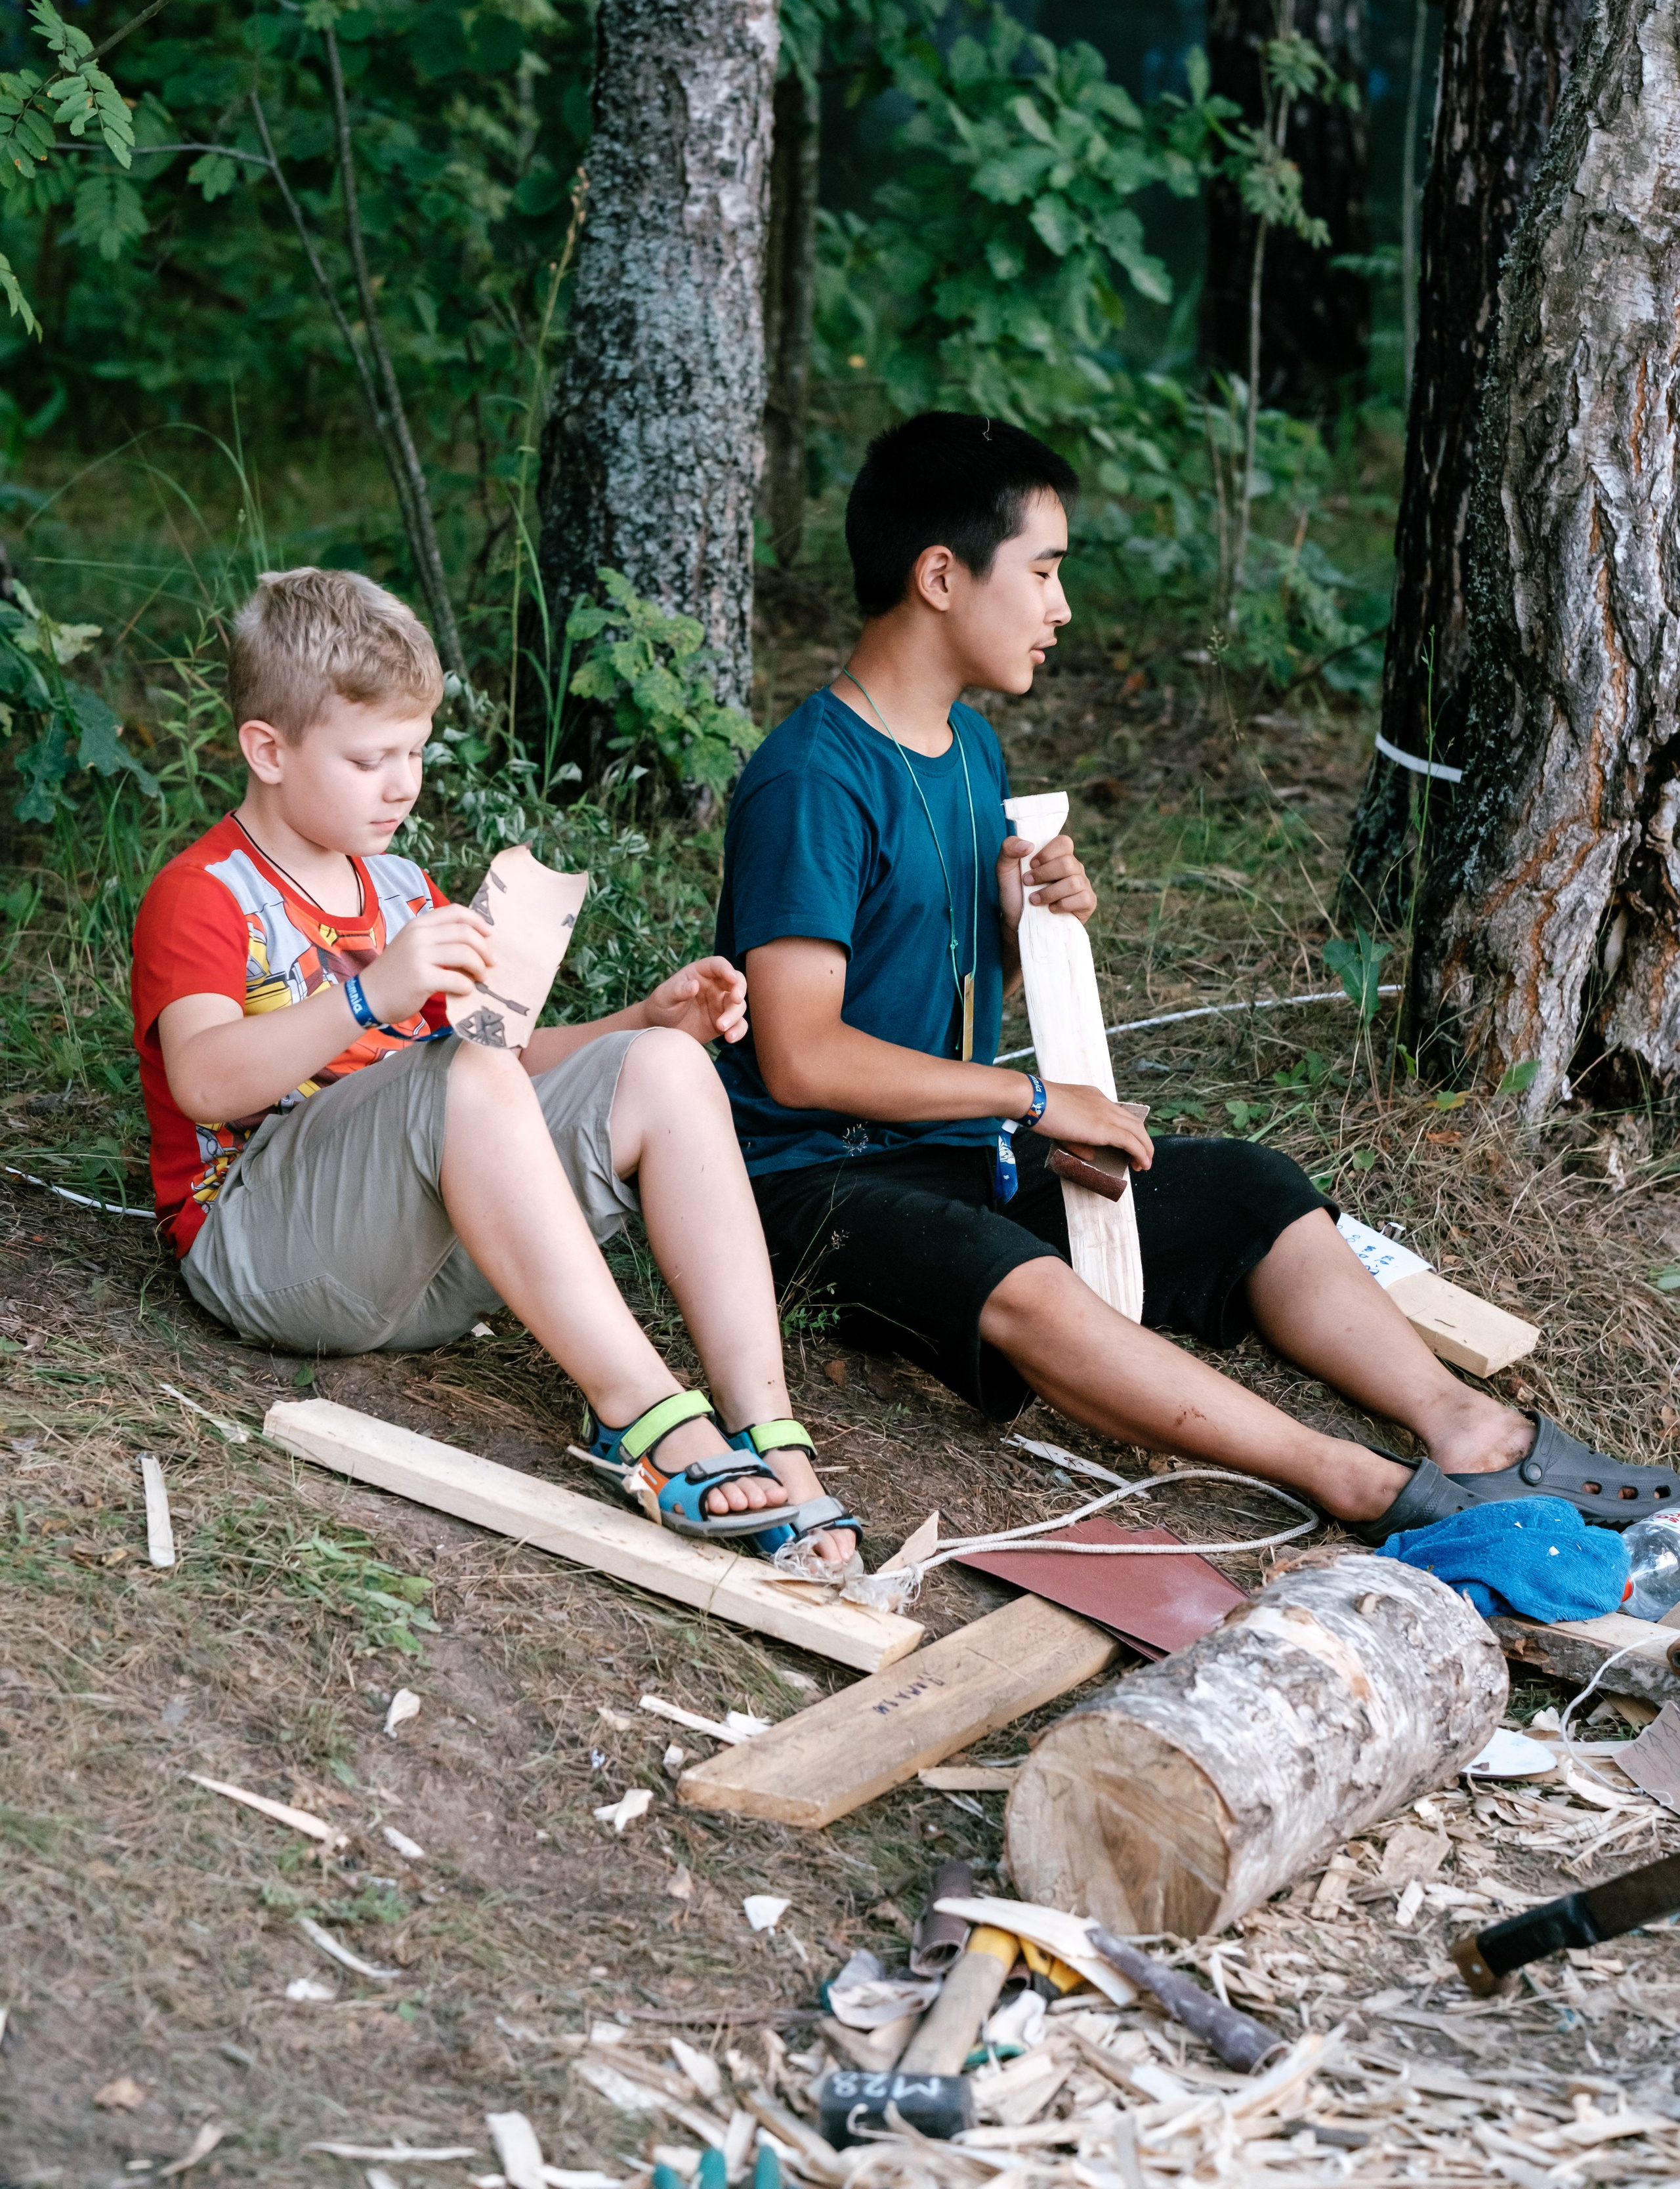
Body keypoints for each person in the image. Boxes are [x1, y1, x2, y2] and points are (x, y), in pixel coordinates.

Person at [714, 412, 1677, 1539]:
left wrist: (1031, 933)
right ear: (940, 574)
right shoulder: (813, 781)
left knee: (1246, 1187)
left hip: (947, 1150)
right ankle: (1356, 1482)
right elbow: (803, 1054)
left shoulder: (970, 751)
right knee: (1018, 1278)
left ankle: (1472, 1430)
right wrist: (1033, 1099)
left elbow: (931, 1004)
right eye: (1043, 570)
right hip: (803, 1189)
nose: (1061, 607)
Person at [130, 567, 856, 1559]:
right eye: (370, 758)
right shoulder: (204, 893)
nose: (405, 783)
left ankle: (771, 1432)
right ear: (268, 749)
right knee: (456, 1067)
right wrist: (368, 995)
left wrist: (643, 1020)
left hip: (422, 1263)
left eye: (417, 750)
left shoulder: (398, 887)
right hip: (266, 1249)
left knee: (661, 1067)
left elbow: (496, 1075)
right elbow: (205, 1083)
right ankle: (643, 1417)